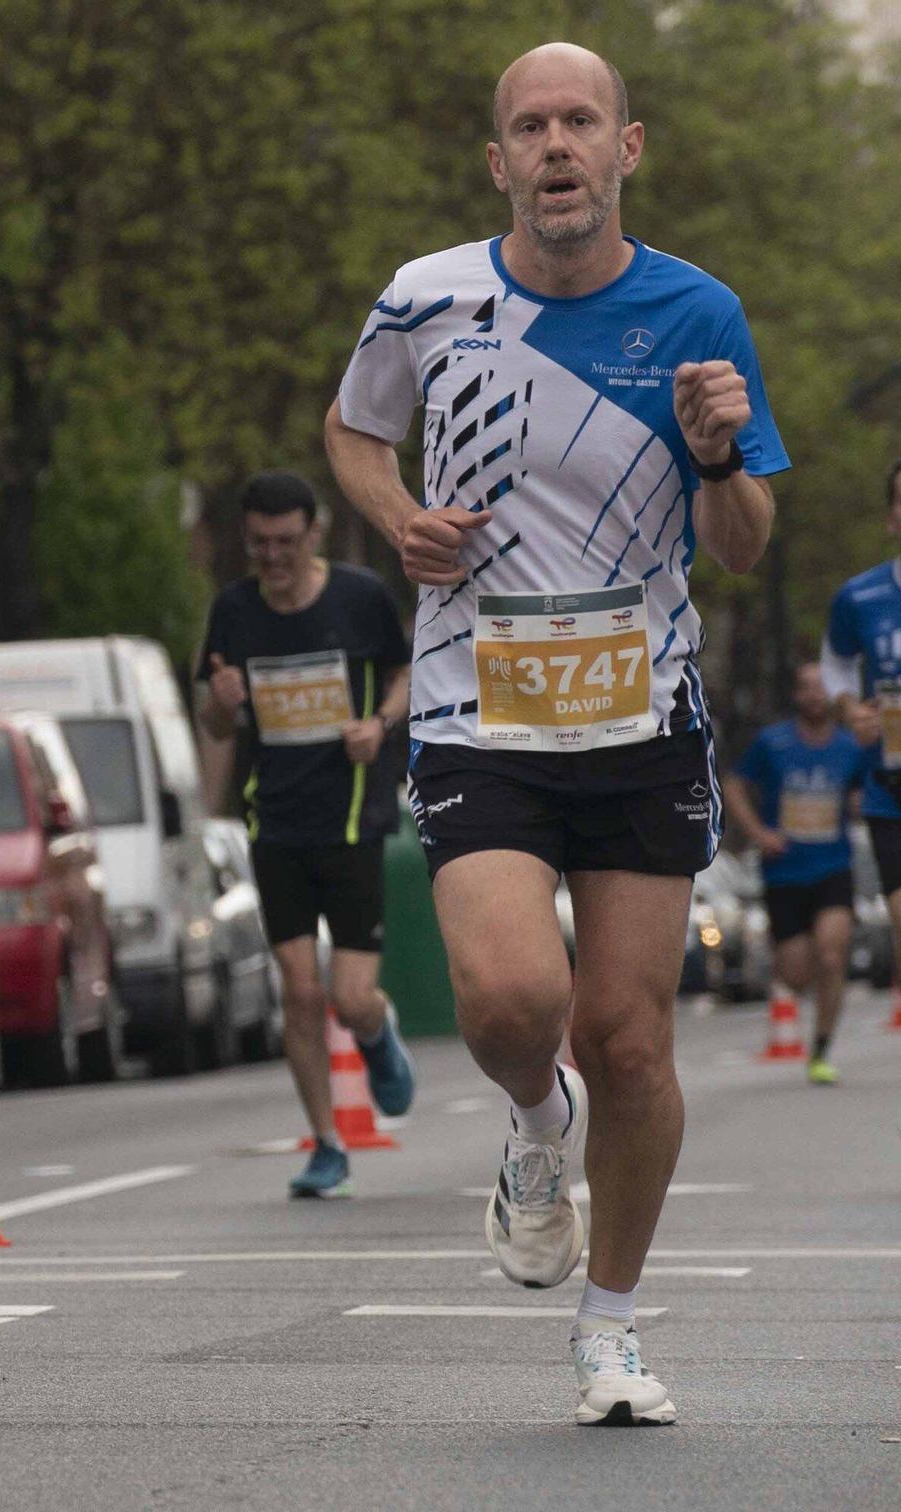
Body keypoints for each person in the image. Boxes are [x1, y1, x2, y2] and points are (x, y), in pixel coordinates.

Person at [325, 44, 789, 1426]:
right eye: (530, 126)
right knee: (516, 1005)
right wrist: (395, 512)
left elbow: (748, 547)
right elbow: (353, 433)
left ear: (627, 146)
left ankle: (612, 1330)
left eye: (580, 120)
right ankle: (538, 1125)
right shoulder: (426, 298)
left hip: (641, 716)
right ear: (499, 162)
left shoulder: (700, 310)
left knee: (632, 1038)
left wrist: (720, 451)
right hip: (479, 711)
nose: (556, 145)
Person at [194, 471, 416, 1198]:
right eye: (259, 544)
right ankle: (326, 1143)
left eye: (286, 542)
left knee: (350, 999)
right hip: (275, 822)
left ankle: (378, 1036)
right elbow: (217, 723)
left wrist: (377, 725)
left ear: (312, 534)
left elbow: (407, 674)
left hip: (350, 819)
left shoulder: (359, 598)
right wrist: (222, 709)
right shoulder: (233, 612)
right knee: (297, 991)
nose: (273, 557)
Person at [726, 664, 865, 1085]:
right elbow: (733, 783)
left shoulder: (849, 747)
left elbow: (860, 796)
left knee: (832, 953)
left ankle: (821, 1048)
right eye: (806, 687)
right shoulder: (773, 742)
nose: (815, 694)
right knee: (798, 971)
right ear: (796, 696)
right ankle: (799, 990)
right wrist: (757, 832)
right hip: (784, 872)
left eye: (823, 686)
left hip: (833, 868)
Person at [820, 460, 901, 1036]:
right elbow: (836, 666)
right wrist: (852, 711)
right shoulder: (862, 595)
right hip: (891, 783)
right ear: (892, 517)